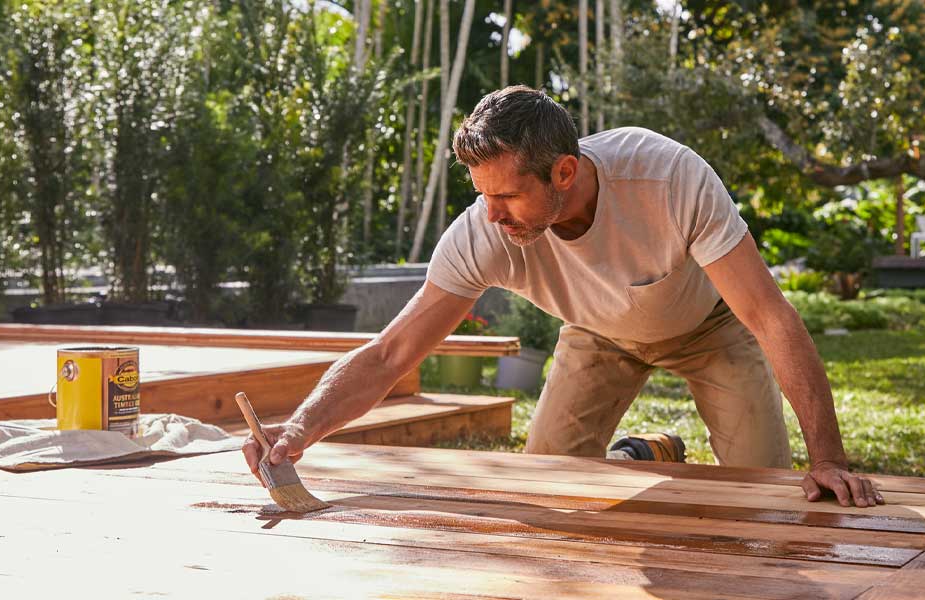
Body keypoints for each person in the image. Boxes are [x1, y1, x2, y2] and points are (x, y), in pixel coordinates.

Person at [243, 85, 883, 508]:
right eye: (481, 195)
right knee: (547, 484)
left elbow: (770, 318)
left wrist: (828, 457)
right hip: (598, 336)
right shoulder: (483, 232)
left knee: (760, 494)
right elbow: (389, 356)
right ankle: (640, 456)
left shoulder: (668, 177)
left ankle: (656, 456)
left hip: (710, 331)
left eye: (507, 196)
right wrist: (299, 429)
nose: (491, 215)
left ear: (565, 172)